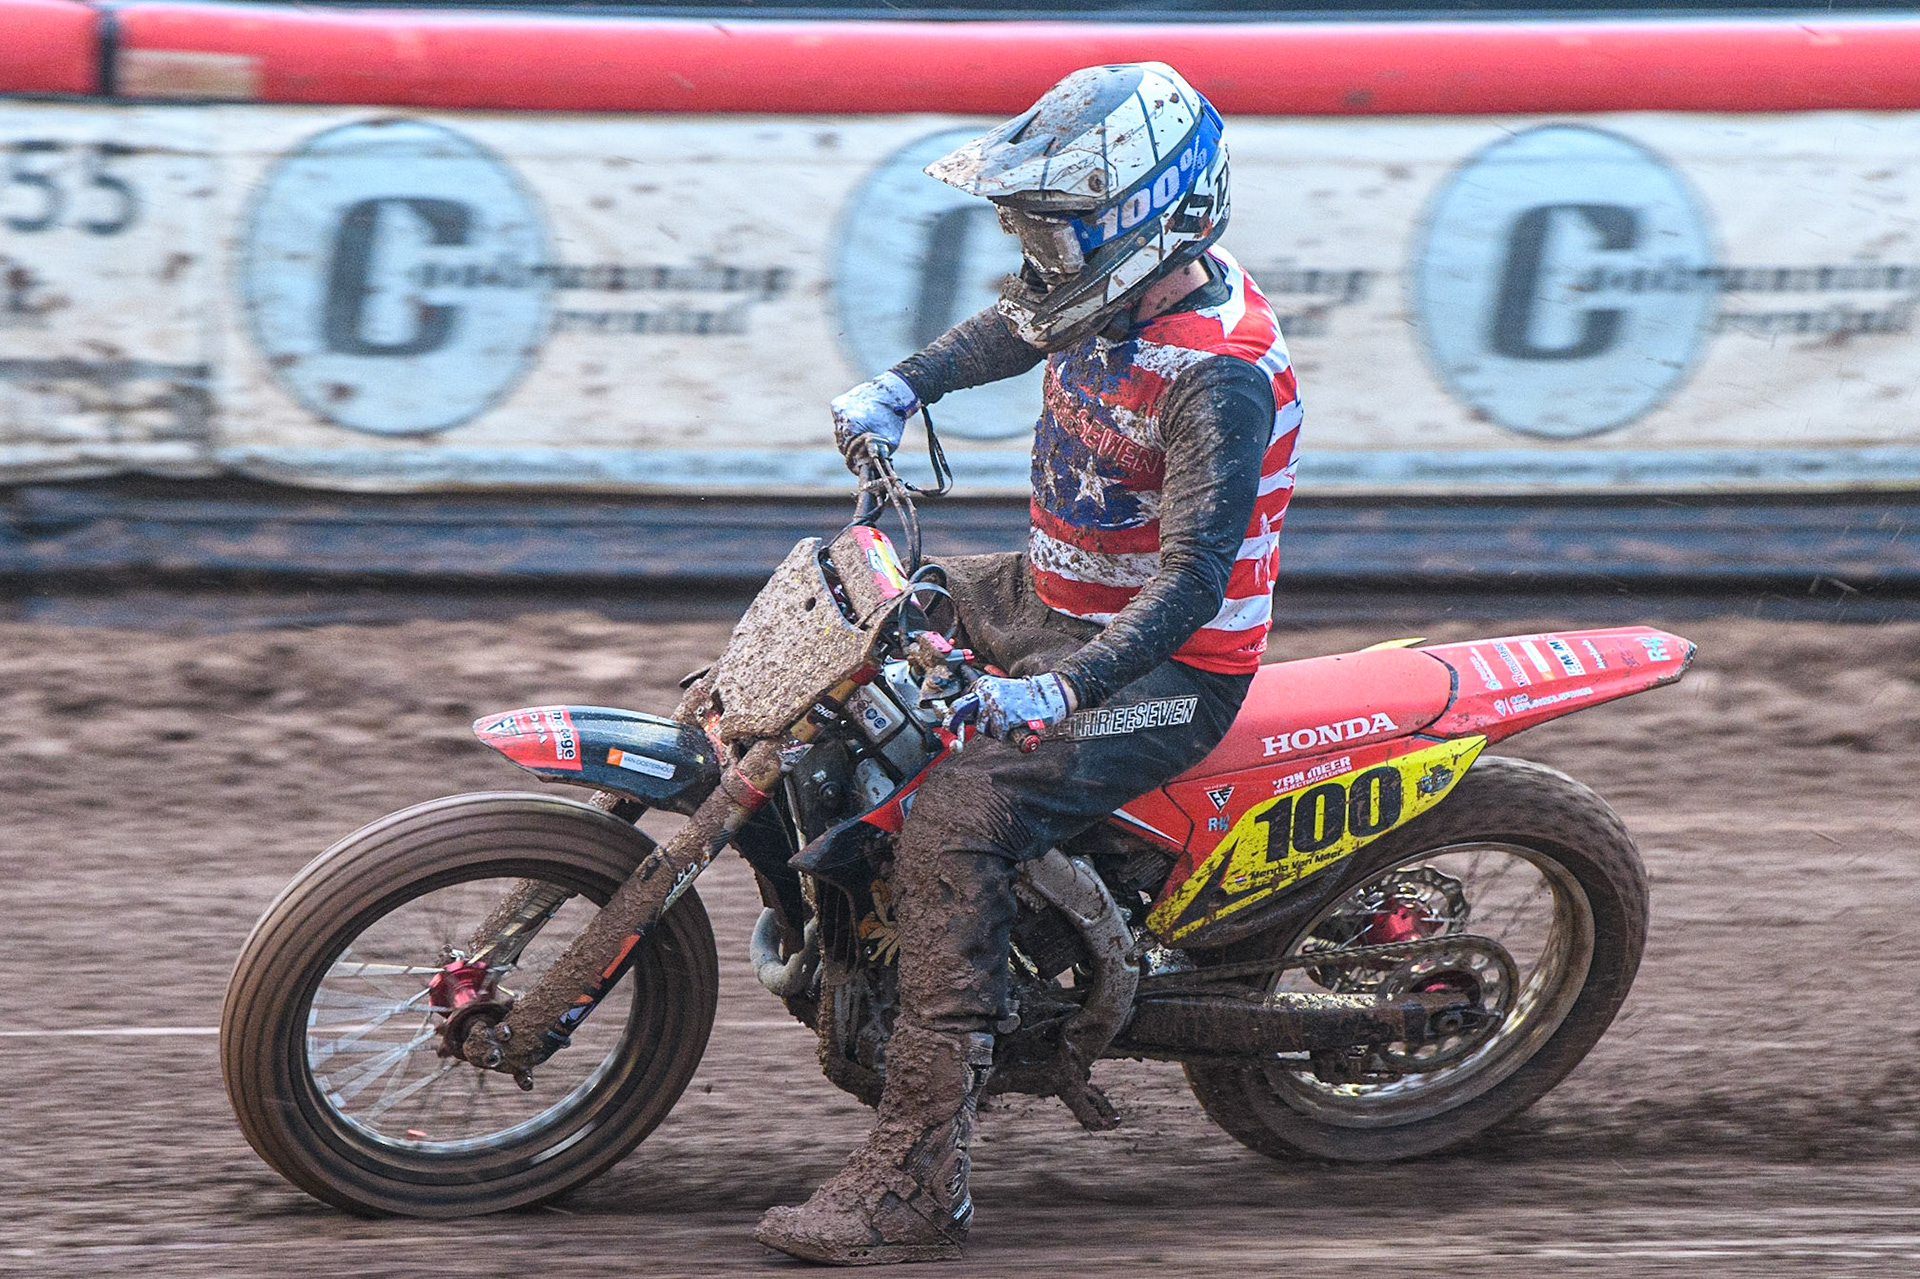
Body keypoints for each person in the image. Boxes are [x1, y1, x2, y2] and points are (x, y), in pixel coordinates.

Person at [756, 61, 1302, 1266]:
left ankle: (918, 1182)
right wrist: (906, 383)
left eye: (1056, 228)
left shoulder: (1220, 370)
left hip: (1163, 668)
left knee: (957, 813)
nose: (1038, 253)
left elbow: (1192, 583)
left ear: (1153, 217)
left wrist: (1059, 688)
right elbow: (1019, 324)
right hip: (1046, 589)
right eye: (1031, 228)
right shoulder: (1101, 299)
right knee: (850, 638)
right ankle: (841, 922)